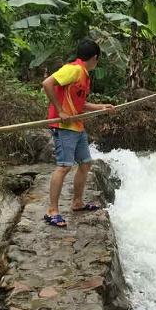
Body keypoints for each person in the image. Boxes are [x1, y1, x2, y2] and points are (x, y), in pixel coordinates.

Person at [42, 39, 116, 228]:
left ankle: (77, 202)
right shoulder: (74, 69)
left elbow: (79, 104)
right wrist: (60, 111)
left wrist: (101, 106)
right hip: (64, 126)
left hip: (76, 125)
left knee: (85, 163)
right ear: (95, 58)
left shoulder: (83, 75)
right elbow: (47, 83)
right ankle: (52, 211)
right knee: (64, 166)